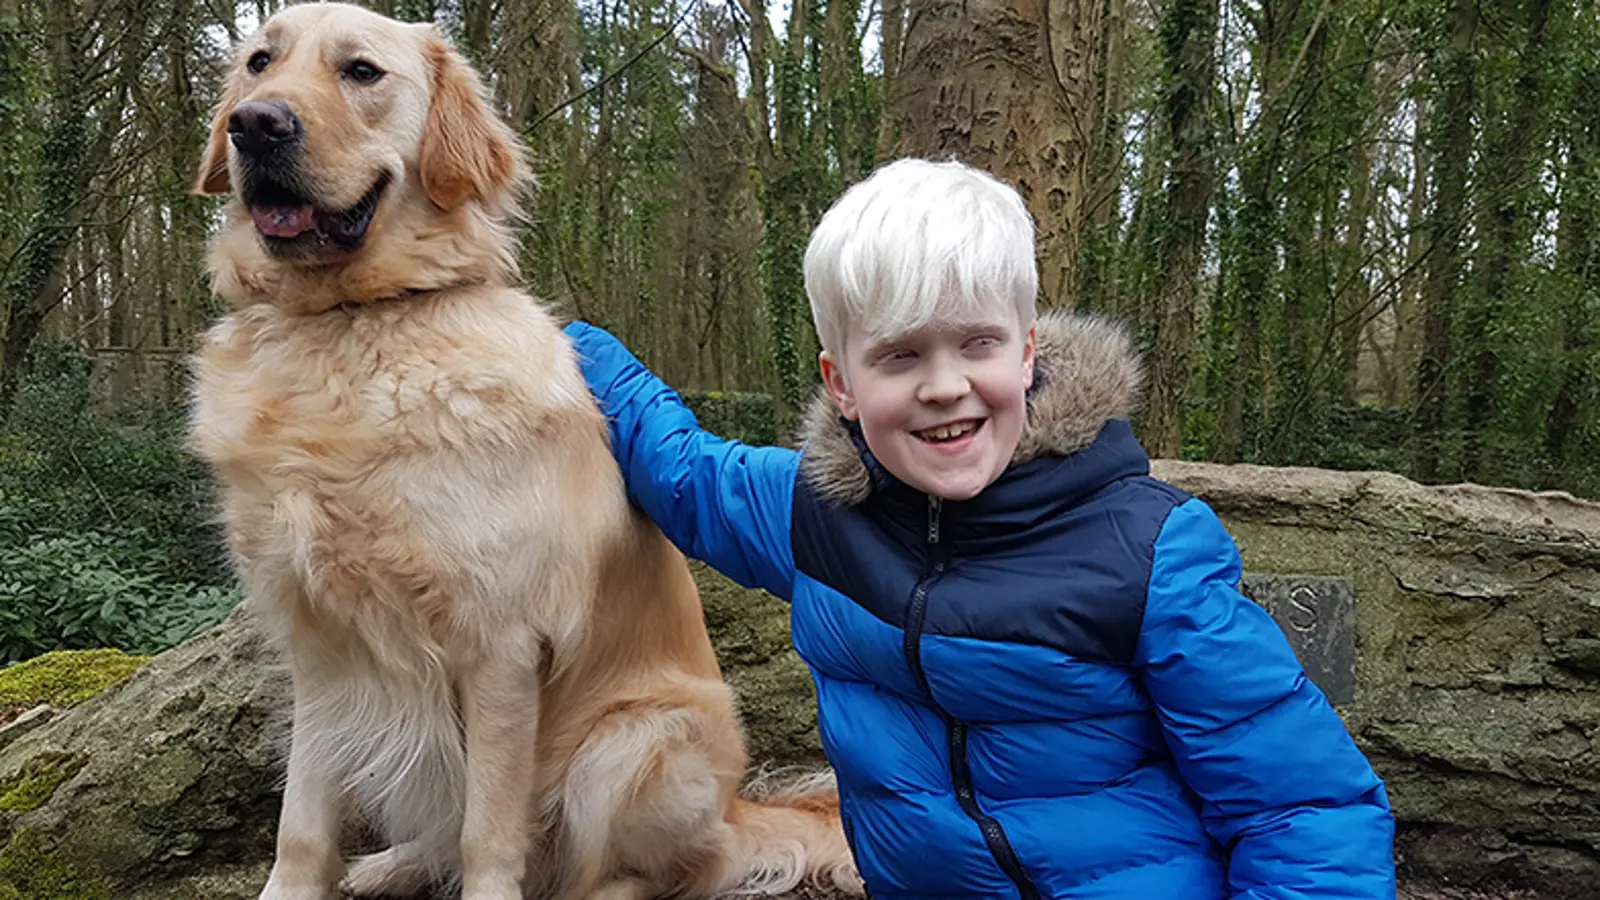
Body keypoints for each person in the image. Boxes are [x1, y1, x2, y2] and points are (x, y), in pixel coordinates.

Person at [562, 157, 1396, 899]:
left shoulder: (1148, 554)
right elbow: (684, 470)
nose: (944, 385)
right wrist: (547, 339)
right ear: (841, 383)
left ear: (1026, 353)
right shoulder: (813, 514)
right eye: (899, 356)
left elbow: (1303, 807)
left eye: (978, 345)